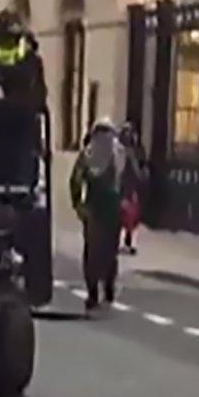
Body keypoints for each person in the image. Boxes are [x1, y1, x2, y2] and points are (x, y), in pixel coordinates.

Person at [70, 119, 137, 313]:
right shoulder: (119, 153)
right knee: (108, 249)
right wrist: (127, 197)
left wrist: (78, 203)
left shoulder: (90, 153)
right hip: (108, 208)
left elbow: (76, 180)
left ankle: (96, 291)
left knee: (94, 250)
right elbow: (132, 177)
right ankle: (106, 287)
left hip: (97, 208)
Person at [0, 9, 47, 186]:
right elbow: (40, 94)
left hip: (13, 124)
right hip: (14, 125)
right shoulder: (30, 58)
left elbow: (39, 94)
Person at [118, 122, 146, 255]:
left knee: (127, 215)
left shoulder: (123, 151)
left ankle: (127, 241)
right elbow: (137, 170)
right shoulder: (130, 151)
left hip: (126, 186)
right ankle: (128, 241)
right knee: (130, 215)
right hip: (127, 186)